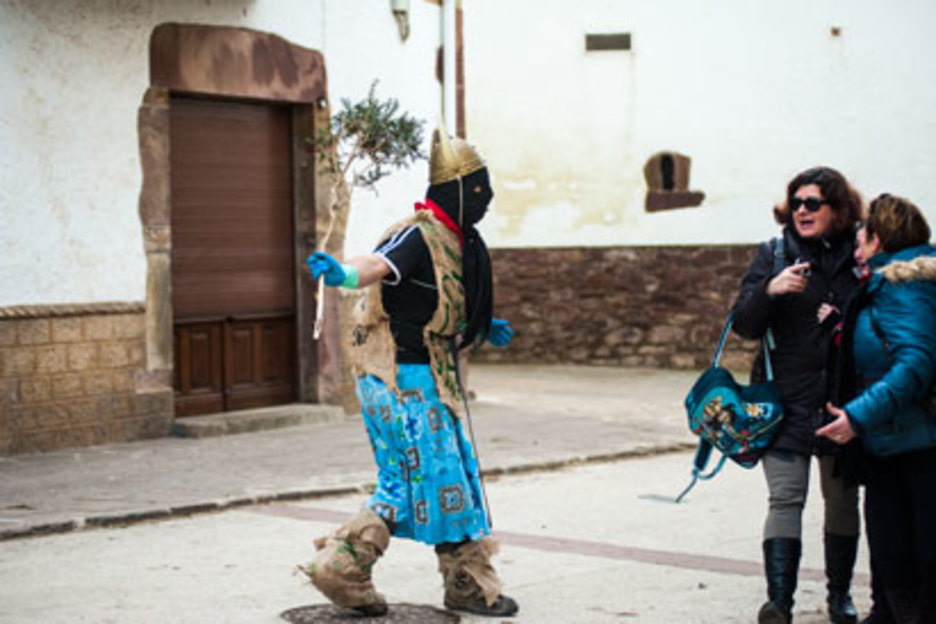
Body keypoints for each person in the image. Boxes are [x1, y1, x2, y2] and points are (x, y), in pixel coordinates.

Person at [302, 128, 518, 618]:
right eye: (479, 189)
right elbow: (381, 263)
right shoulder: (419, 234)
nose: (486, 198)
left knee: (435, 482)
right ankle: (343, 565)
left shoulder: (453, 239)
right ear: (458, 191)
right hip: (405, 384)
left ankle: (454, 581)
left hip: (424, 380)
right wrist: (344, 274)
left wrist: (482, 323)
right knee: (420, 484)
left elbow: (435, 300)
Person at [732, 166, 864, 624]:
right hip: (784, 401)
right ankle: (780, 602)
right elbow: (744, 324)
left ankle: (839, 596)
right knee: (785, 500)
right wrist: (770, 290)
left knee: (843, 501)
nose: (802, 211)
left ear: (838, 209)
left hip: (840, 401)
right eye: (797, 202)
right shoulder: (773, 253)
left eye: (813, 203)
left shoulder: (860, 255)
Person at [817, 193, 936, 623]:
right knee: (891, 552)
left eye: (861, 236)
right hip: (891, 440)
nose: (855, 245)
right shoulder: (887, 283)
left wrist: (858, 414)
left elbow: (916, 363)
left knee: (916, 557)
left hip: (917, 441)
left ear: (878, 239)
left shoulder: (907, 284)